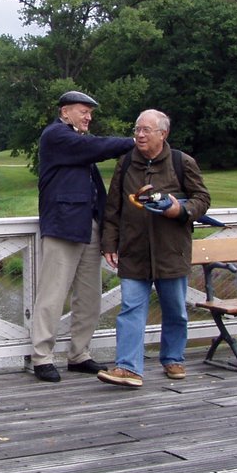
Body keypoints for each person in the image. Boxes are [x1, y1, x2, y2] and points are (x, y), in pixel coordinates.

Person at [98, 109, 210, 388]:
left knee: (174, 310)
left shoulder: (182, 162)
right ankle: (127, 367)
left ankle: (173, 358)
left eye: (146, 130)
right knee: (130, 309)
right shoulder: (125, 164)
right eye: (137, 129)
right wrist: (109, 243)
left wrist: (179, 210)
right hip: (134, 249)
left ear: (163, 133)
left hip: (171, 250)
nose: (139, 135)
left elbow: (202, 199)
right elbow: (114, 208)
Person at [30, 90, 136, 383]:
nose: (89, 117)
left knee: (90, 297)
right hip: (63, 225)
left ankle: (79, 355)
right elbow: (99, 147)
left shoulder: (78, 141)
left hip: (89, 225)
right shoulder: (56, 135)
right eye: (83, 111)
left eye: (90, 112)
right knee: (52, 294)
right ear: (65, 112)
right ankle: (42, 357)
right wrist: (136, 142)